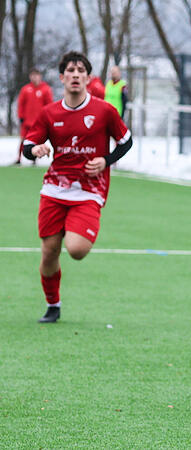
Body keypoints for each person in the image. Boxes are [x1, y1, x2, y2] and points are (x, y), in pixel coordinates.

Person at [22, 51, 133, 323]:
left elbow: (127, 141)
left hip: (88, 192)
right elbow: (27, 147)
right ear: (62, 77)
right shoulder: (50, 113)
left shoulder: (104, 110)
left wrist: (105, 161)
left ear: (88, 77)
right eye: (70, 70)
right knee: (49, 252)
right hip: (53, 191)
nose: (75, 75)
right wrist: (36, 149)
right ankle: (53, 305)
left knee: (77, 250)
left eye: (80, 70)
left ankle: (74, 227)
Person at [16, 68, 53, 164]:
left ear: (40, 76)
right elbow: (21, 104)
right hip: (26, 121)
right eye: (32, 75)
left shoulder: (46, 89)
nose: (34, 77)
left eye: (36, 75)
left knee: (37, 141)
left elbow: (49, 105)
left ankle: (34, 160)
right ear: (30, 77)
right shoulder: (25, 89)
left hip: (39, 122)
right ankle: (19, 159)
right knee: (23, 140)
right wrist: (21, 116)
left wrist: (48, 118)